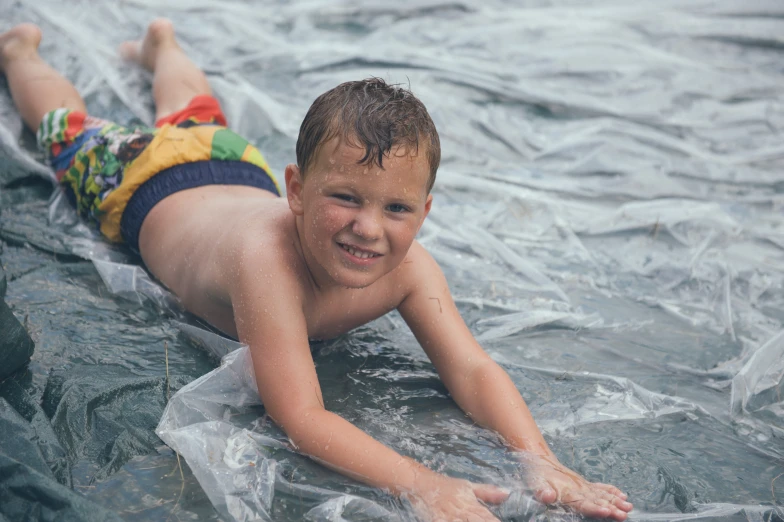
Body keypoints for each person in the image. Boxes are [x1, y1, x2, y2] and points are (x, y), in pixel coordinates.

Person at [0, 19, 634, 521]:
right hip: (143, 179)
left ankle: (160, 45)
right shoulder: (266, 263)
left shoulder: (410, 268)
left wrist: (540, 461)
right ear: (297, 190)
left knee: (195, 111)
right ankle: (20, 53)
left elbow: (471, 368)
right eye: (346, 197)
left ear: (426, 210)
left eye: (396, 208)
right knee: (67, 129)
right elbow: (300, 415)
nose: (368, 227)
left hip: (232, 167)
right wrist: (420, 483)